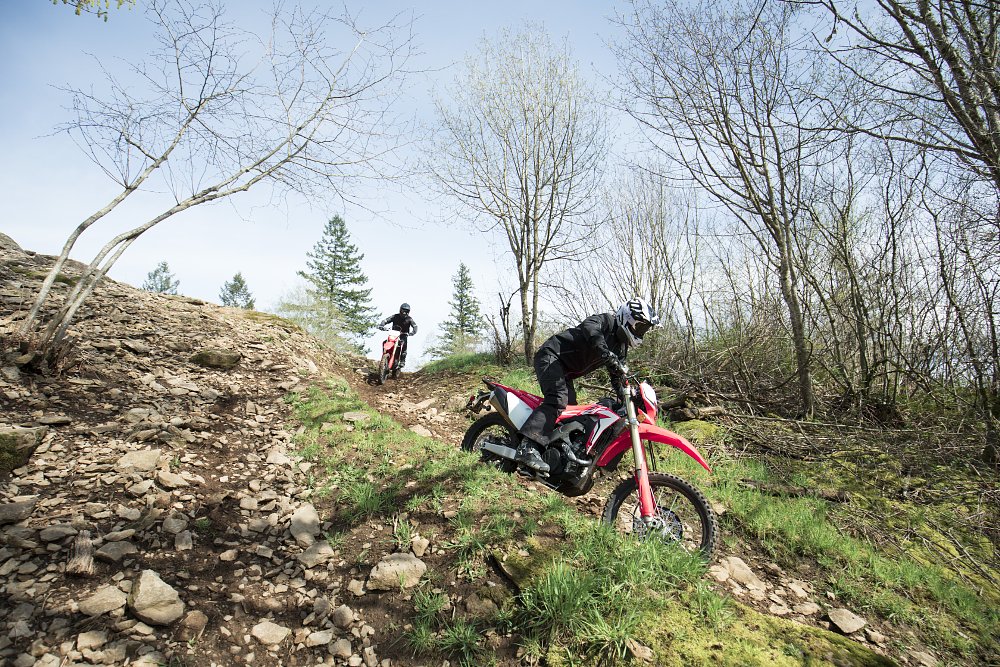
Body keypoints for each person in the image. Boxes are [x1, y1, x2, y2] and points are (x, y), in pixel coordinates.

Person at [515, 298, 660, 473]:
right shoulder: (607, 321)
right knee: (557, 399)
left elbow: (618, 377)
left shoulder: (620, 348)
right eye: (641, 327)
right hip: (551, 356)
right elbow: (590, 328)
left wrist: (629, 397)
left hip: (565, 371)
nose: (642, 332)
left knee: (570, 415)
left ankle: (550, 457)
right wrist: (606, 353)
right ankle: (527, 447)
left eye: (645, 329)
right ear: (628, 317)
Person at [378, 303, 418, 375]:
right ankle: (384, 357)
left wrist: (413, 332)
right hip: (393, 334)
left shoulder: (409, 319)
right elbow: (386, 320)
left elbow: (415, 326)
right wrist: (382, 325)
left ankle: (402, 361)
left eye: (406, 311)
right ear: (400, 310)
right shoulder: (395, 316)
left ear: (408, 312)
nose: (404, 312)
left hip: (403, 335)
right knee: (384, 342)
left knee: (403, 344)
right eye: (403, 310)